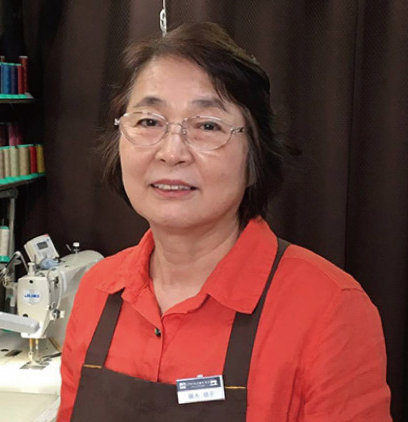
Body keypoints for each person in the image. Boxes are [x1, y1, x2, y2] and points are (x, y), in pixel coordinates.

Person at [58, 22, 391, 422]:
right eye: (149, 121)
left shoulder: (329, 309)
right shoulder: (97, 290)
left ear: (255, 159)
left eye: (207, 126)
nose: (171, 152)